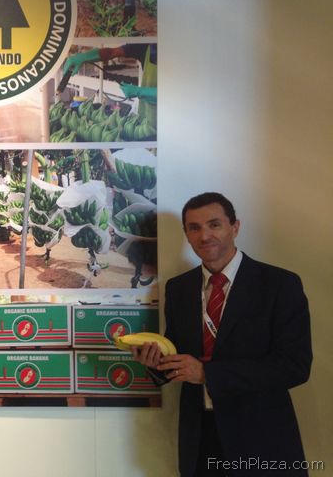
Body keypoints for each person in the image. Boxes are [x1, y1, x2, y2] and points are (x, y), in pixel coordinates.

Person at [134, 192, 312, 476]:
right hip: (200, 439)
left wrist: (207, 374)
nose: (204, 236)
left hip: (262, 440)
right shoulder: (178, 289)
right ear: (187, 235)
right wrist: (156, 363)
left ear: (235, 227)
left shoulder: (280, 284)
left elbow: (294, 367)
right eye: (194, 228)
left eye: (214, 225)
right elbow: (178, 354)